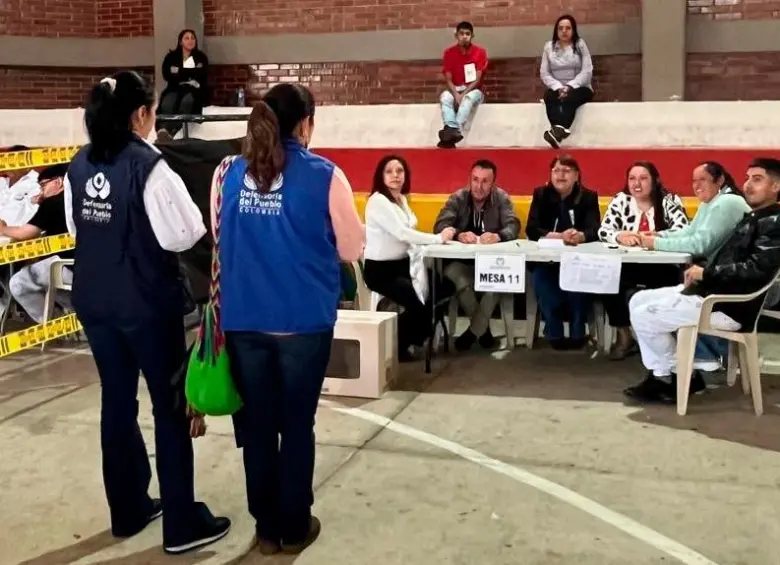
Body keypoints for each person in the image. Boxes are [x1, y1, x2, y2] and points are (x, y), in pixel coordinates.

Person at [64, 70, 230, 555]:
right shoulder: (150, 167)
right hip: (144, 303)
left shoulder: (78, 163)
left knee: (116, 401)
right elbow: (184, 233)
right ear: (141, 115)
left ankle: (129, 507)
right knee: (169, 405)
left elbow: (78, 226)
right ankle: (181, 523)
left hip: (94, 301)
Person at [213, 84, 364, 555]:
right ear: (306, 124)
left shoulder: (228, 172)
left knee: (257, 426)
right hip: (302, 324)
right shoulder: (325, 175)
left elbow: (217, 232)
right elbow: (351, 248)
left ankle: (266, 529)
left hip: (245, 322)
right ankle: (295, 525)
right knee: (296, 426)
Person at [624, 157, 780, 404]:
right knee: (638, 300)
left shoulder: (773, 223)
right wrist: (701, 276)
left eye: (757, 179)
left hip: (728, 306)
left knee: (645, 314)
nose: (748, 184)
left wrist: (705, 274)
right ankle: (675, 374)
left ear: (776, 187)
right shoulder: (756, 216)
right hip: (714, 293)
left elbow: (755, 270)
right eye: (748, 178)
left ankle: (668, 376)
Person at [639, 161, 751, 372]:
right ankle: (677, 364)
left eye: (703, 180)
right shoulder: (712, 202)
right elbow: (690, 232)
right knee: (639, 299)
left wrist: (655, 243)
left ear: (720, 180)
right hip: (714, 280)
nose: (696, 186)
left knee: (647, 308)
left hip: (725, 289)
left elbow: (699, 244)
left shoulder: (727, 203)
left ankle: (681, 366)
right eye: (694, 181)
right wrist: (659, 235)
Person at [363, 155, 455, 361]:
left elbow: (410, 233)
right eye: (389, 171)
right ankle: (397, 345)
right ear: (381, 176)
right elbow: (402, 233)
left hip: (404, 264)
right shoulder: (377, 201)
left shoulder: (402, 199)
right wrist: (438, 238)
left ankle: (420, 332)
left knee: (444, 287)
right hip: (380, 271)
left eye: (400, 171)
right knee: (419, 301)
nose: (395, 176)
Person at [598, 162, 689, 360]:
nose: (637, 183)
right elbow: (604, 230)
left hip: (663, 266)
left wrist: (655, 237)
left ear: (655, 181)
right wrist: (620, 236)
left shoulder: (669, 200)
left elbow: (683, 229)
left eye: (643, 178)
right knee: (608, 281)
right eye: (632, 178)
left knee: (663, 287)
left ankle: (664, 342)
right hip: (628, 264)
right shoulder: (621, 200)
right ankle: (625, 337)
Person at [433, 159, 520, 350]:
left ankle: (473, 332)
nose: (478, 186)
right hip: (462, 264)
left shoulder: (502, 198)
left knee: (500, 279)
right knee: (455, 274)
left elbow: (513, 225)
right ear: (470, 180)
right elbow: (439, 226)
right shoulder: (458, 198)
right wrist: (458, 234)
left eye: (485, 181)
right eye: (475, 180)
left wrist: (498, 236)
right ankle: (484, 331)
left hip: (491, 263)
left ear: (493, 183)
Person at [526, 154, 601, 350]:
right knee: (543, 280)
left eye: (566, 171)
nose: (560, 175)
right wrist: (558, 236)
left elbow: (595, 230)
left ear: (577, 175)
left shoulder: (588, 197)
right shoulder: (541, 194)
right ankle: (554, 330)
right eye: (556, 170)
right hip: (546, 261)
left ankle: (578, 330)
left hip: (578, 260)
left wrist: (581, 236)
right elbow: (532, 229)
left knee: (579, 283)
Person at [0, 163, 73, 322]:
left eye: (43, 186)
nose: (41, 192)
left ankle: (53, 324)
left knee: (18, 283)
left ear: (58, 182)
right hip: (99, 267)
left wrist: (3, 228)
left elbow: (24, 234)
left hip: (68, 267)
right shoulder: (82, 198)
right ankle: (75, 320)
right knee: (48, 281)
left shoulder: (54, 203)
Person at [540, 14, 594, 149]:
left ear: (573, 30)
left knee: (571, 97)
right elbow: (544, 73)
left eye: (568, 28)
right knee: (548, 96)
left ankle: (557, 130)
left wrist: (570, 86)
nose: (564, 31)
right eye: (561, 28)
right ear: (556, 31)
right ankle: (558, 130)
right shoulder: (548, 47)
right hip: (557, 88)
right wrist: (558, 87)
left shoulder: (580, 45)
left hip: (580, 87)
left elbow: (587, 71)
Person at [437, 21, 488, 149]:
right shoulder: (449, 53)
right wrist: (455, 94)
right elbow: (448, 78)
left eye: (467, 34)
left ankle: (454, 131)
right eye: (461, 33)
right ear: (456, 35)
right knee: (445, 97)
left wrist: (462, 95)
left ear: (472, 36)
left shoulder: (480, 52)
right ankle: (452, 128)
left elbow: (477, 79)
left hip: (474, 90)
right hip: (456, 88)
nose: (464, 36)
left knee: (467, 99)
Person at [156, 29, 209, 140]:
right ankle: (163, 130)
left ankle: (171, 132)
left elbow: (202, 75)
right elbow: (167, 74)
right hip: (174, 88)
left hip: (194, 89)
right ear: (181, 42)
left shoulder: (200, 57)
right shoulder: (171, 57)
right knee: (167, 103)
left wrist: (178, 71)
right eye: (187, 38)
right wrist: (191, 72)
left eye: (192, 38)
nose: (190, 40)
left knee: (186, 103)